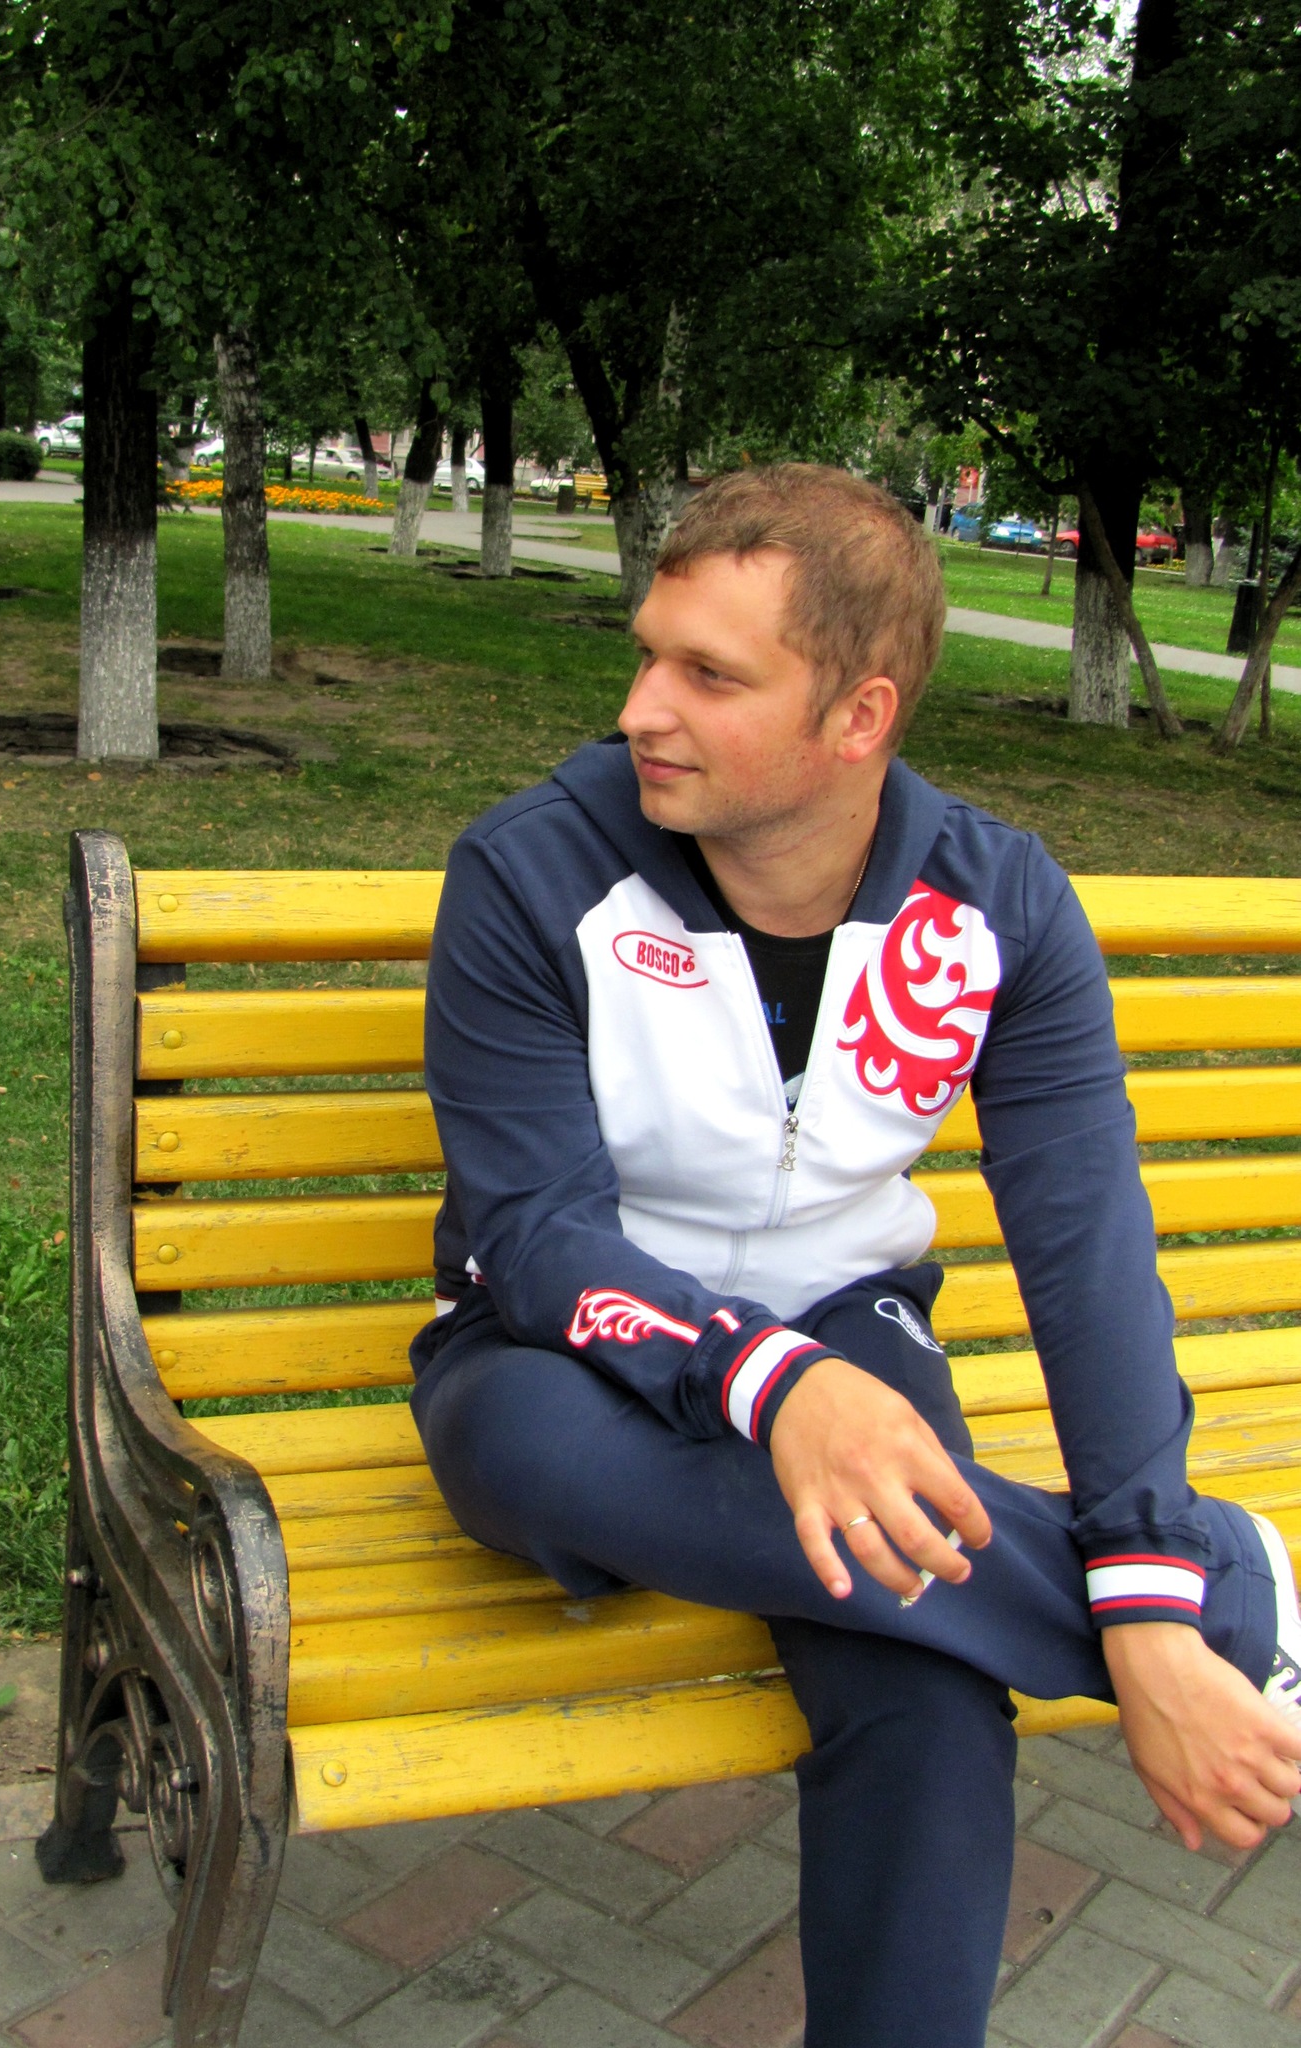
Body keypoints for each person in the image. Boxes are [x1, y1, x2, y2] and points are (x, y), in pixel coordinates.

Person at [409, 464, 1301, 2047]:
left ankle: (1168, 1598)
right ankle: (1239, 1597)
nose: (638, 709)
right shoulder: (528, 871)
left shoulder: (996, 907)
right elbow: (535, 1236)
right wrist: (770, 1383)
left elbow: (1085, 1252)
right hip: (558, 1355)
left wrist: (1136, 1589)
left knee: (926, 1691)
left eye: (707, 675)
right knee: (524, 1451)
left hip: (854, 1325)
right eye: (647, 654)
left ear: (858, 716)